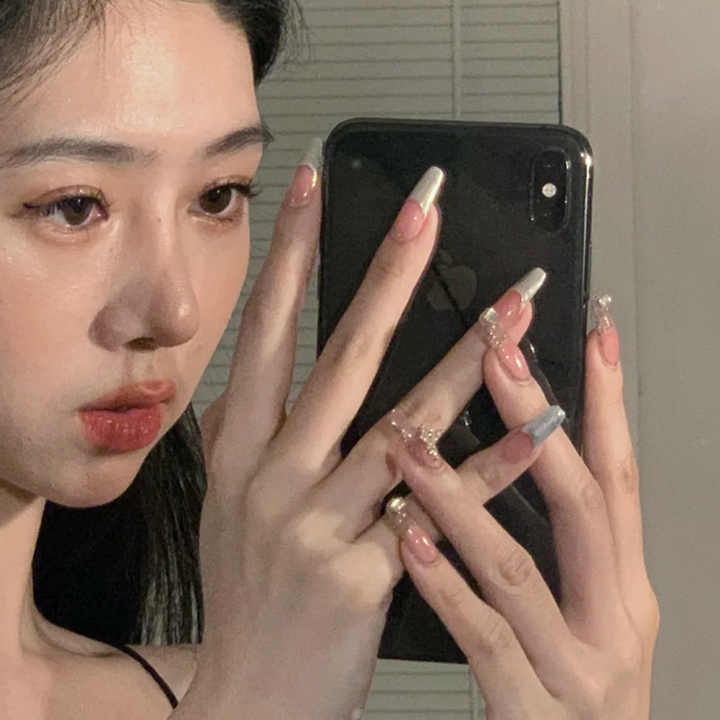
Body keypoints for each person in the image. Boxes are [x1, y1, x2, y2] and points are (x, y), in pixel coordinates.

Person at [0, 0, 659, 718]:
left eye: (218, 196)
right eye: (73, 206)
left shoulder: (218, 688)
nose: (177, 312)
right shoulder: (254, 694)